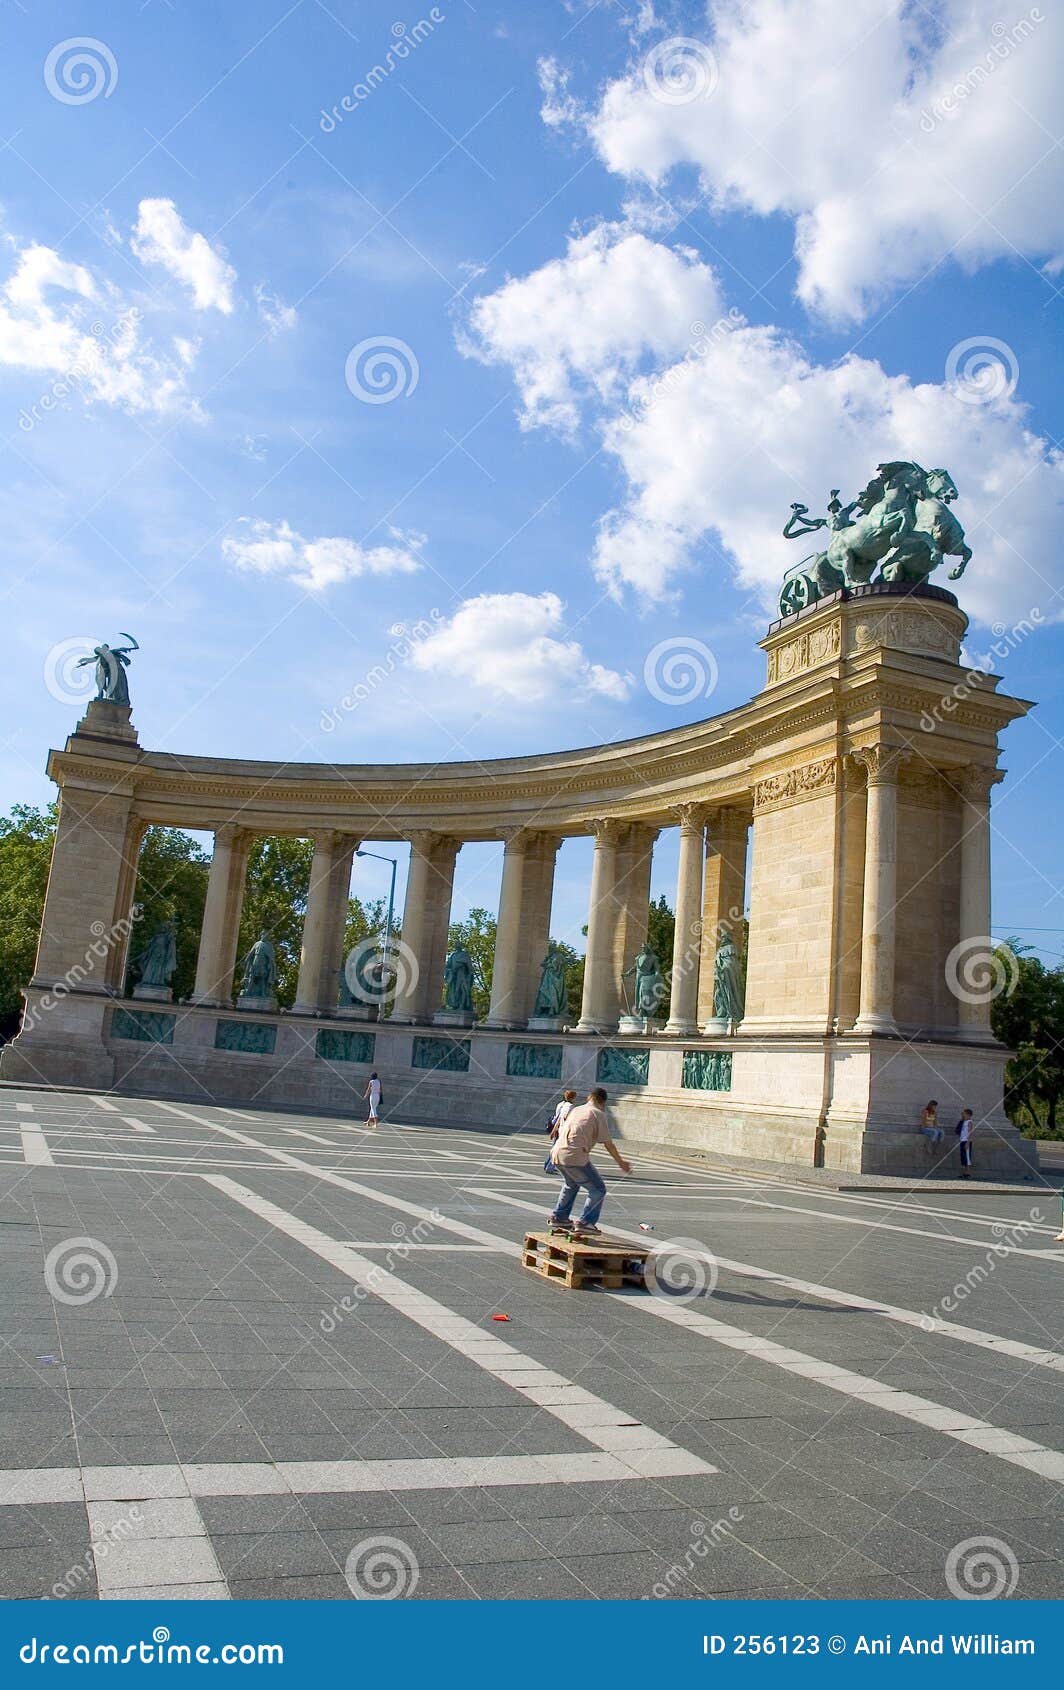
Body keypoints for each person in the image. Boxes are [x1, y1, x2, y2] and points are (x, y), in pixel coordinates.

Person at [549, 1087, 631, 1236]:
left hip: (556, 1153)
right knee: (598, 1189)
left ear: (589, 1098)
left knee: (571, 1184)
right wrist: (621, 1162)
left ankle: (559, 1217)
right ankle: (586, 1222)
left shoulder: (577, 1109)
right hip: (574, 1156)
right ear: (603, 1102)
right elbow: (608, 1144)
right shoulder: (598, 1113)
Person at [955, 1108, 975, 1177]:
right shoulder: (963, 1121)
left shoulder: (970, 1122)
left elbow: (970, 1133)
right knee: (963, 1157)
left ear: (968, 1114)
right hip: (962, 1140)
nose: (963, 1115)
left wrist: (968, 1142)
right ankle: (965, 1172)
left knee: (967, 1157)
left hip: (967, 1141)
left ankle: (968, 1172)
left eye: (964, 1113)